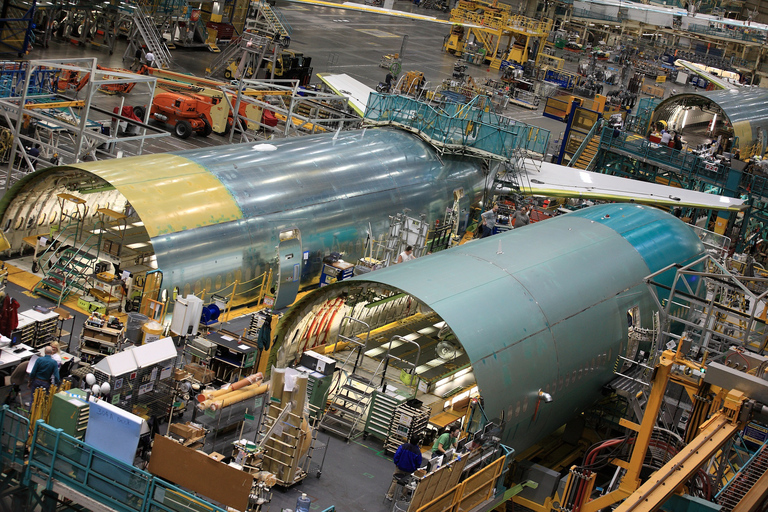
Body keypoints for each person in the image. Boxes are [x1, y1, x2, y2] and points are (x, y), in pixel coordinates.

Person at [385, 436, 423, 501]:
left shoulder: (403, 446)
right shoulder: (418, 452)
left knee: (395, 481)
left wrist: (397, 463)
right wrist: (415, 469)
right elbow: (418, 463)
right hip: (410, 470)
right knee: (407, 483)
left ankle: (390, 495)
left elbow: (397, 455)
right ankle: (403, 497)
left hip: (400, 467)